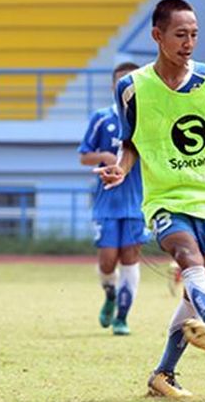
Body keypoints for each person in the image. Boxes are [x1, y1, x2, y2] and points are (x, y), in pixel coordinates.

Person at [95, 0, 205, 398]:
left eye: (194, 35)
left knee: (193, 290)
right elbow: (132, 142)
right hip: (165, 197)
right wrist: (121, 166)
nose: (189, 42)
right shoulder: (132, 88)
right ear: (158, 36)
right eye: (180, 34)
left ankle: (163, 375)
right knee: (186, 257)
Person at [78, 61, 147, 336]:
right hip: (107, 202)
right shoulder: (101, 118)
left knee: (130, 257)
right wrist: (106, 157)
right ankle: (109, 294)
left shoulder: (148, 118)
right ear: (113, 86)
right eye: (121, 82)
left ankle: (122, 316)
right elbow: (84, 156)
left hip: (137, 201)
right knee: (108, 260)